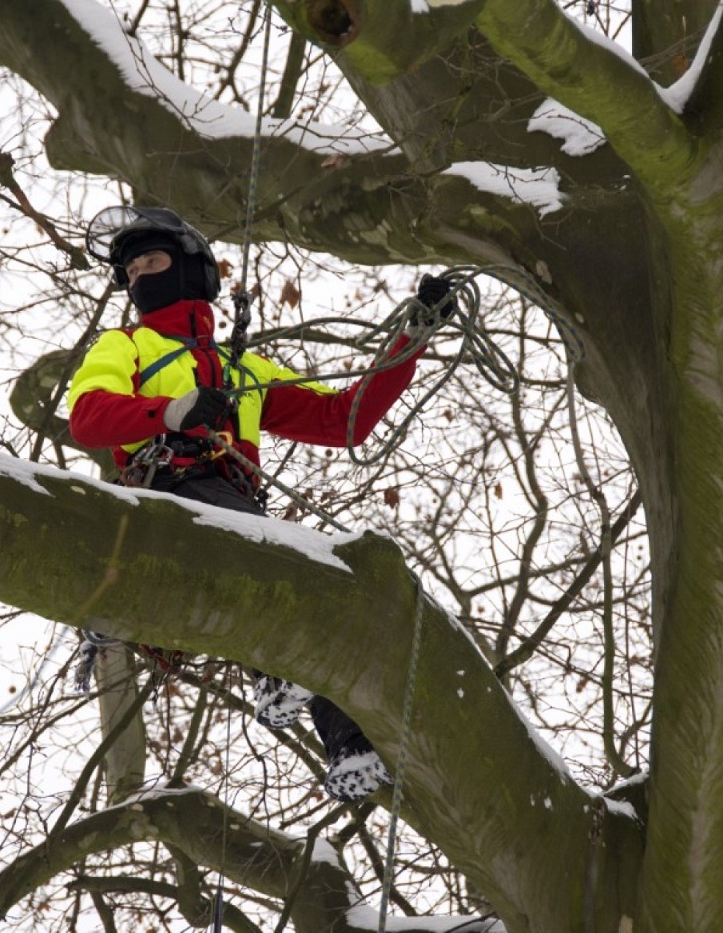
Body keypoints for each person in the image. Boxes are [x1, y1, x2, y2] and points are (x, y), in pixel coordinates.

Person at [66, 206, 454, 801]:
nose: (141, 274)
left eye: (153, 260)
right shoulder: (127, 345)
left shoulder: (241, 369)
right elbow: (89, 417)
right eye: (133, 268)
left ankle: (348, 741)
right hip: (167, 497)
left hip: (228, 506)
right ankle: (276, 669)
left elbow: (343, 419)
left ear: (191, 270)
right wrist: (173, 411)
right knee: (283, 566)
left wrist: (412, 336)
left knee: (318, 587)